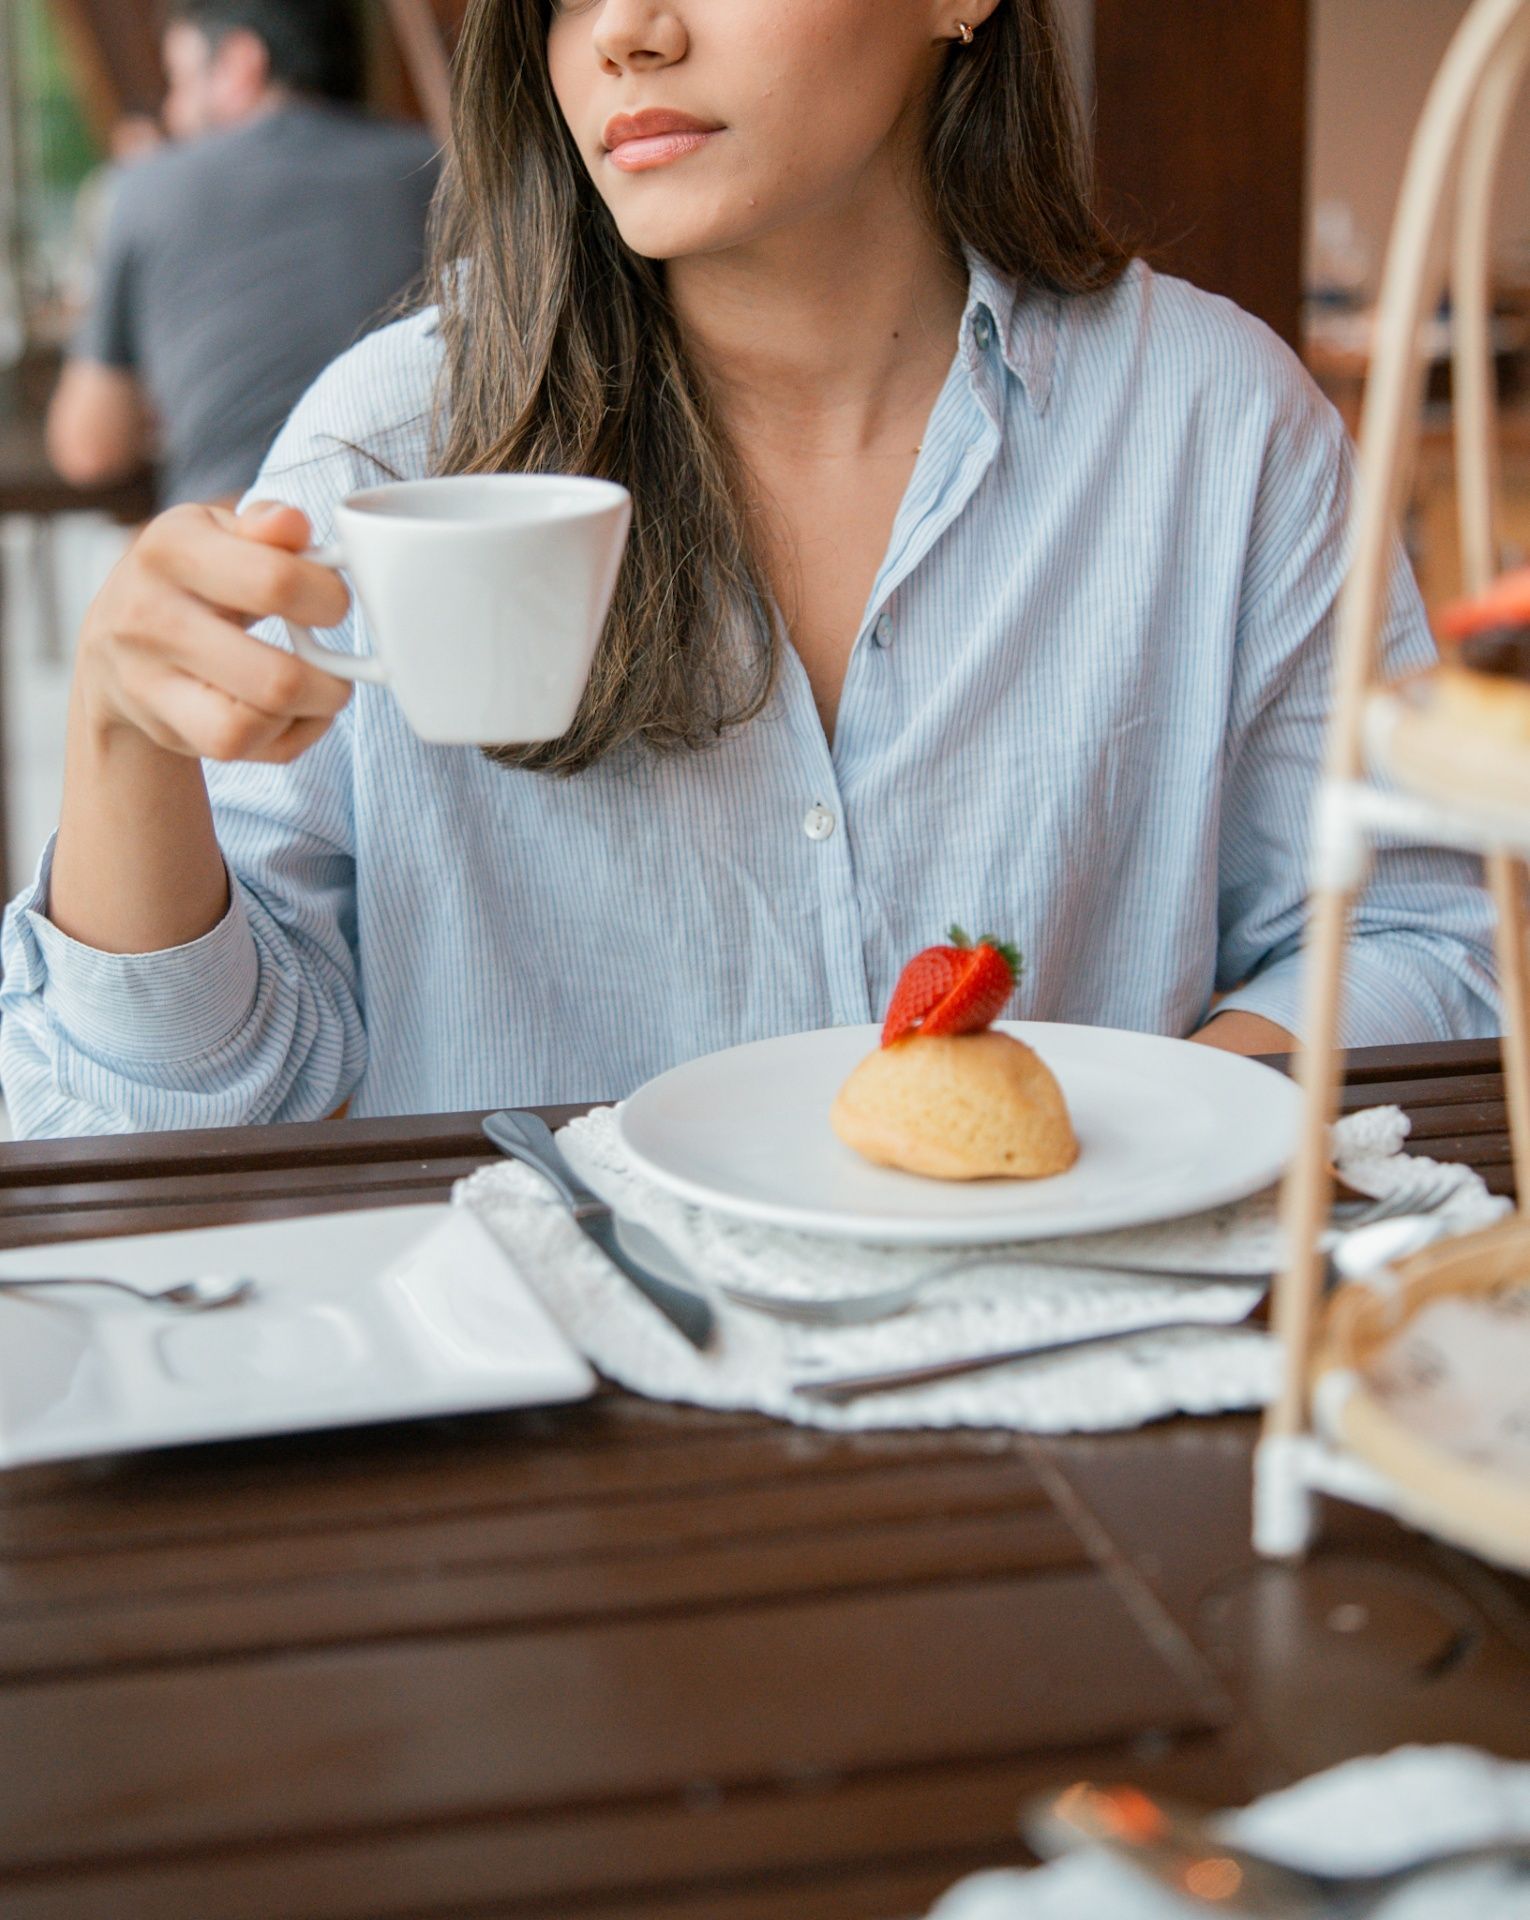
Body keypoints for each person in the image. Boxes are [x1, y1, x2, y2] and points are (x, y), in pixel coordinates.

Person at [0, 0, 1499, 1138]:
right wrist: (124, 743)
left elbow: (1418, 946)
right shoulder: (389, 450)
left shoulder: (1217, 426)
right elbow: (161, 1119)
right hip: (540, 1459)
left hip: (1074, 1421)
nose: (628, 39)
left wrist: (1118, 1147)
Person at [45, 0, 439, 509]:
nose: (171, 111)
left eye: (180, 81)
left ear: (240, 63)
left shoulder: (147, 187)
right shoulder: (439, 167)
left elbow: (90, 450)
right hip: (411, 536)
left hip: (237, 539)